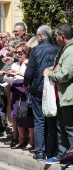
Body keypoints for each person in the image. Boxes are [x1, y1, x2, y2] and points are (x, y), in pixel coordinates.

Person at [24, 25, 60, 160]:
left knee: (39, 121)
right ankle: (51, 151)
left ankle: (39, 151)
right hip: (53, 89)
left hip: (38, 89)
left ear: (39, 36)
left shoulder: (36, 50)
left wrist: (26, 84)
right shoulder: (58, 48)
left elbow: (29, 72)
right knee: (51, 120)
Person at [43, 23, 73, 164]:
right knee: (61, 127)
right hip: (61, 96)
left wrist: (50, 74)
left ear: (62, 36)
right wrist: (50, 69)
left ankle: (70, 157)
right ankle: (62, 155)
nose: (54, 37)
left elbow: (65, 74)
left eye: (55, 35)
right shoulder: (64, 49)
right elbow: (59, 68)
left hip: (68, 97)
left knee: (69, 128)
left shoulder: (71, 50)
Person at [4, 42, 34, 150]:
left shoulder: (28, 64)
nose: (18, 55)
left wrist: (17, 73)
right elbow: (10, 79)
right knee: (18, 117)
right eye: (17, 52)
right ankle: (21, 140)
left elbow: (30, 77)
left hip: (25, 93)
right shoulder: (14, 64)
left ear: (26, 53)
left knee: (27, 117)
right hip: (15, 93)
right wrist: (8, 75)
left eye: (20, 52)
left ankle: (31, 140)